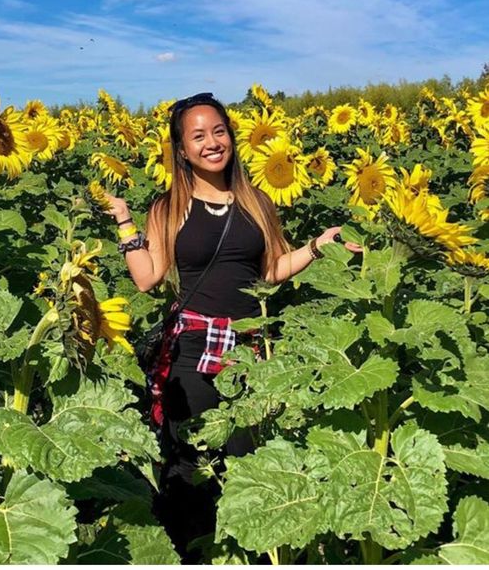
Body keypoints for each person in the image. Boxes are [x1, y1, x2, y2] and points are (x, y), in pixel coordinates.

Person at [101, 92, 361, 562]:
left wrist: (317, 247)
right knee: (191, 467)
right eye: (198, 136)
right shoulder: (170, 206)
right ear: (181, 150)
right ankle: (190, 554)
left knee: (247, 463)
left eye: (219, 131)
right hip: (192, 352)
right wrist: (124, 222)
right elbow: (147, 278)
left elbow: (271, 271)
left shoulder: (256, 201)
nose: (212, 142)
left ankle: (249, 554)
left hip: (248, 353)